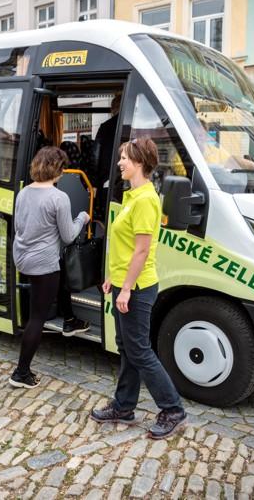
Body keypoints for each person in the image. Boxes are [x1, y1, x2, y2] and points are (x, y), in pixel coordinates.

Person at [90, 137, 187, 440]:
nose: (120, 162)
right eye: (120, 157)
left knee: (140, 350)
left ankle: (173, 409)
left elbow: (142, 251)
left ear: (141, 163)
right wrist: (112, 278)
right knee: (127, 347)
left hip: (138, 287)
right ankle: (124, 406)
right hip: (123, 282)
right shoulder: (132, 195)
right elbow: (124, 245)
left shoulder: (146, 199)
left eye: (125, 158)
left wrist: (127, 288)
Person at [9, 147, 89, 389]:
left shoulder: (23, 192)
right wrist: (81, 219)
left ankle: (70, 318)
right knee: (37, 318)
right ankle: (21, 373)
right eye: (62, 168)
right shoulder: (58, 197)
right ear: (57, 169)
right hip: (43, 262)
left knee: (57, 276)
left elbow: (19, 226)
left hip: (22, 258)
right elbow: (68, 236)